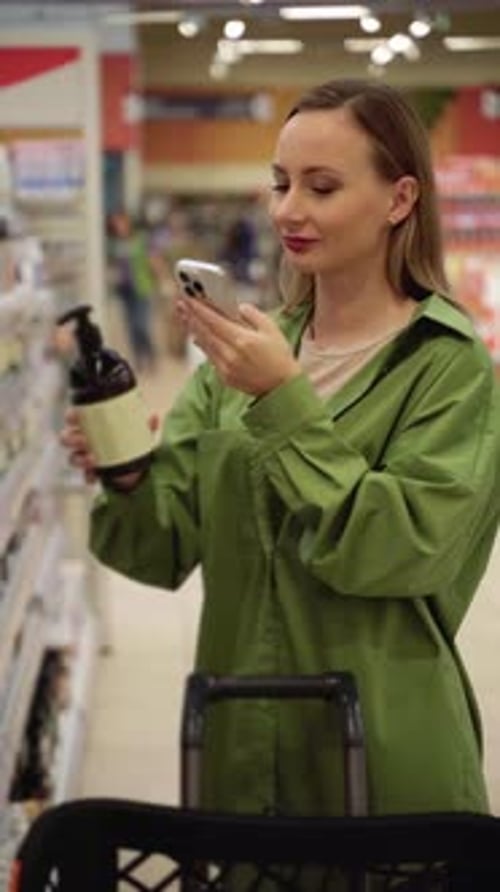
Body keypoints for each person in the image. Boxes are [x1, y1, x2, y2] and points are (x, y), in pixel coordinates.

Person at [62, 79, 500, 819]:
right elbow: (163, 546)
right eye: (280, 182)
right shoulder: (241, 358)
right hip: (238, 740)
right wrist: (128, 470)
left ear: (399, 200)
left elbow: (396, 549)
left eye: (322, 187)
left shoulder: (449, 368)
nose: (288, 210)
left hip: (382, 750)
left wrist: (282, 400)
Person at [107, 210, 158, 372]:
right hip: (124, 290)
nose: (119, 226)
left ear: (128, 222)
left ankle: (151, 355)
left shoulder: (141, 239)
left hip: (142, 287)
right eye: (115, 223)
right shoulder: (113, 243)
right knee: (130, 327)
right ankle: (139, 360)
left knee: (141, 325)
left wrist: (162, 279)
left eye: (121, 222)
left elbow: (153, 260)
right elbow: (112, 265)